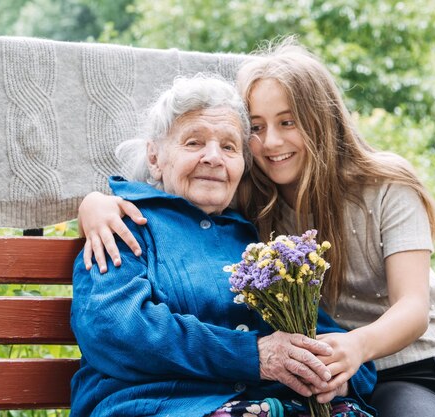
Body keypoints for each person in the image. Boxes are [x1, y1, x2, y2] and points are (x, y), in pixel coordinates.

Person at [77, 41, 435, 417]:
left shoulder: (283, 214)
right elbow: (118, 324)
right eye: (258, 129)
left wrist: (338, 365)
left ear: (320, 121)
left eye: (231, 145)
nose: (268, 143)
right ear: (156, 155)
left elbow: (380, 315)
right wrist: (98, 201)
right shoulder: (175, 221)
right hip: (366, 382)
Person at [70, 74, 376, 417]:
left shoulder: (254, 242)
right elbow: (115, 331)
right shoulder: (124, 225)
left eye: (229, 147)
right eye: (194, 143)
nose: (213, 157)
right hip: (158, 406)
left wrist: (339, 372)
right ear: (155, 158)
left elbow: (320, 330)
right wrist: (253, 356)